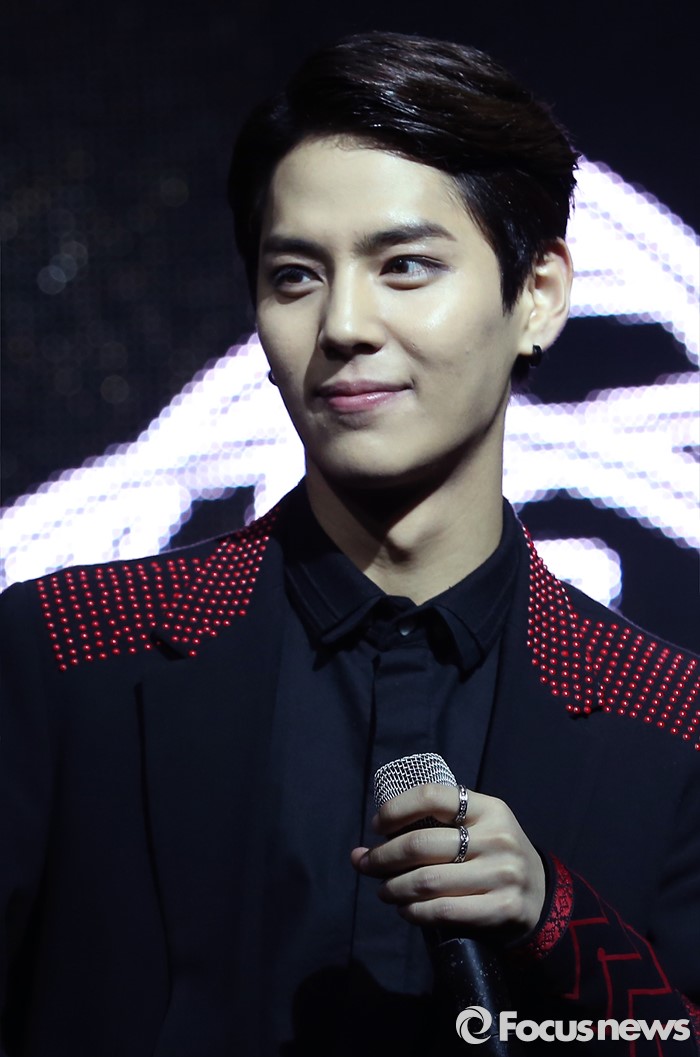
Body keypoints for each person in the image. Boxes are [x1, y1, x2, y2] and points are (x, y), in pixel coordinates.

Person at [1, 30, 698, 1057]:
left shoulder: (670, 719)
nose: (345, 325)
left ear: (539, 294)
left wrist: (554, 919)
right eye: (295, 276)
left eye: (405, 266)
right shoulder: (68, 651)